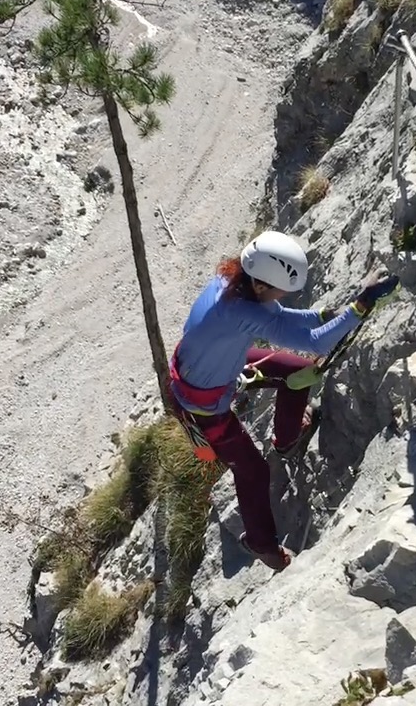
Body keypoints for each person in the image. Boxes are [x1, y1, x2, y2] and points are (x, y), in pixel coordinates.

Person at [166, 230, 399, 572]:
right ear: (261, 285)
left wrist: (329, 314)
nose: (284, 295)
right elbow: (316, 343)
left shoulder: (232, 282)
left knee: (298, 371)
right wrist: (359, 306)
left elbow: (281, 316)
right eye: (281, 289)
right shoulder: (242, 311)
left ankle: (287, 439)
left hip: (210, 369)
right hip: (204, 407)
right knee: (254, 472)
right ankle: (262, 545)